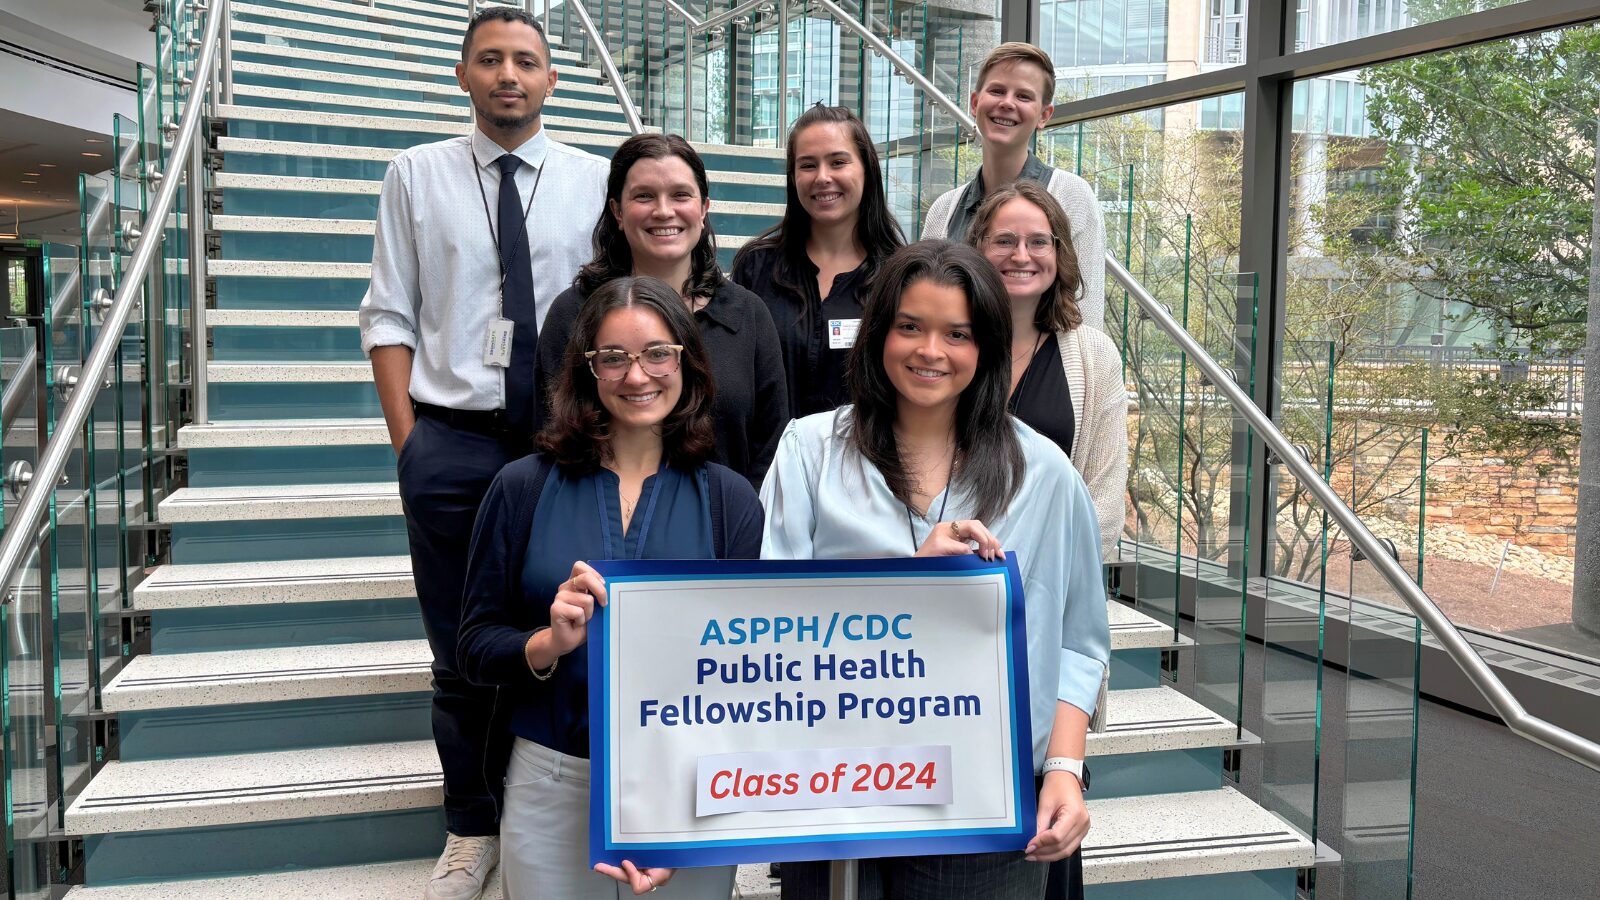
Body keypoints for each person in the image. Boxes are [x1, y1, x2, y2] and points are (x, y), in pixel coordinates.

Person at [760, 240, 1110, 899]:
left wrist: (1064, 769)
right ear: (878, 333)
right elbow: (774, 628)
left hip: (984, 799)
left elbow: (1077, 643)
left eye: (958, 334)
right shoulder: (808, 453)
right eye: (910, 327)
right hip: (835, 785)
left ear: (988, 349)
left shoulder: (1046, 477)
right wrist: (907, 586)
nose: (930, 352)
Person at [357, 8, 607, 898]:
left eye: (528, 62)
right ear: (464, 75)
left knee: (558, 625)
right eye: (492, 61)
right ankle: (470, 827)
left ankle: (549, 804)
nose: (510, 75)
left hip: (561, 443)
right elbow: (387, 313)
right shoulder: (416, 174)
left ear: (551, 79)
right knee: (459, 649)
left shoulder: (590, 177)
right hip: (453, 441)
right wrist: (410, 445)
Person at [458, 276, 764, 899]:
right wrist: (547, 642)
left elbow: (754, 670)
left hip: (691, 785)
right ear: (586, 370)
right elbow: (473, 646)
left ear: (686, 362)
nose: (636, 375)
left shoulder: (730, 500)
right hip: (552, 781)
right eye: (613, 358)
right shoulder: (522, 488)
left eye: (657, 353)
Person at [536, 133, 789, 485]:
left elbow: (771, 448)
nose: (664, 210)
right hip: (601, 525)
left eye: (680, 195)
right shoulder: (573, 313)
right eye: (644, 196)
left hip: (724, 529)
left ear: (703, 209)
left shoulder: (748, 315)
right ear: (617, 212)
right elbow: (552, 434)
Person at [968, 181, 1127, 560]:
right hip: (955, 574)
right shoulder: (943, 345)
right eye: (1004, 241)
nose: (1021, 255)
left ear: (1059, 254)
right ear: (977, 250)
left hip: (1053, 578)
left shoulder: (1095, 356)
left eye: (1039, 241)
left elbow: (1104, 503)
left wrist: (1049, 577)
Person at [920, 42, 1107, 334]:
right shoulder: (944, 210)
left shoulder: (1071, 196)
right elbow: (925, 306)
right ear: (974, 102)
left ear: (1044, 115)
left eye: (1023, 96)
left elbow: (1087, 316)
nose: (1007, 103)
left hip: (1043, 375)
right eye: (997, 91)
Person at [731, 105, 905, 417]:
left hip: (864, 460)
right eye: (808, 165)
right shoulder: (755, 268)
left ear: (866, 169)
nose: (823, 177)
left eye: (838, 162)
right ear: (793, 176)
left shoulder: (900, 275)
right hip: (771, 462)